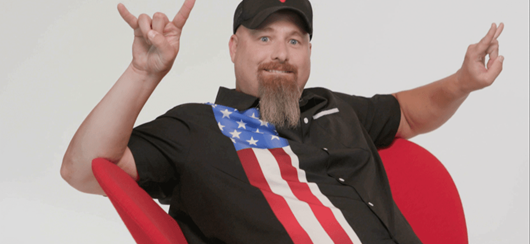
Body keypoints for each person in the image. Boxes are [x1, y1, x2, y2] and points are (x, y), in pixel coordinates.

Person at [61, 0, 504, 243]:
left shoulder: (332, 107)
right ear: (235, 47)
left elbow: (407, 112)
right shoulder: (198, 128)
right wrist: (144, 72)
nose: (281, 52)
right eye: (265, 37)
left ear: (308, 52)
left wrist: (463, 81)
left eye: (294, 39)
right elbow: (84, 169)